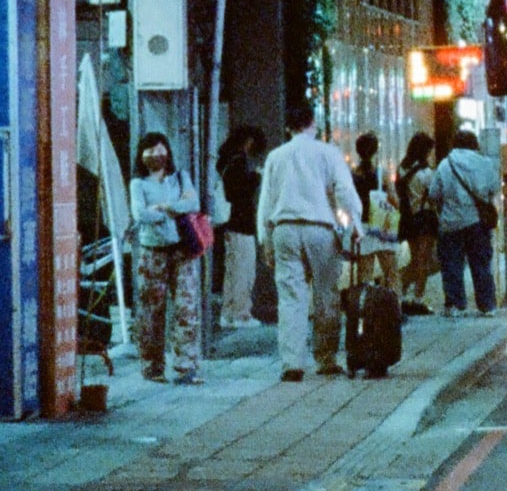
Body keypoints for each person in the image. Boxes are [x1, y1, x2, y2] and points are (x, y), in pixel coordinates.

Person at [255, 100, 361, 379]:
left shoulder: (276, 156)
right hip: (320, 229)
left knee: (291, 297)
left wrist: (266, 239)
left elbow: (266, 202)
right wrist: (355, 223)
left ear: (288, 127)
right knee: (326, 295)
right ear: (313, 123)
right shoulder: (328, 153)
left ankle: (292, 363)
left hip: (284, 229)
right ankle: (325, 358)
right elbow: (344, 192)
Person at [123, 134, 203, 385]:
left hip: (182, 250)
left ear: (168, 152)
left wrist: (163, 208)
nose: (156, 155)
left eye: (160, 150)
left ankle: (186, 367)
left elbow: (194, 203)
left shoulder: (180, 177)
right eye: (150, 151)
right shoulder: (138, 184)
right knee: (151, 311)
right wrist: (174, 208)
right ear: (141, 156)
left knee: (186, 308)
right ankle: (152, 366)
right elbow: (140, 214)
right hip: (152, 251)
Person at [431, 122, 503, 314]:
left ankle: (455, 305)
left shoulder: (445, 164)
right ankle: (487, 306)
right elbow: (494, 189)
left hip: (450, 223)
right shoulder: (485, 163)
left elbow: (434, 193)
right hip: (477, 222)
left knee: (452, 265)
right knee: (481, 264)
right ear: (474, 144)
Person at [215, 126, 265, 334]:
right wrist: (256, 177)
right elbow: (241, 190)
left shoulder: (226, 160)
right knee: (244, 271)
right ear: (248, 141)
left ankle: (228, 313)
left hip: (230, 224)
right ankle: (241, 314)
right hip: (242, 223)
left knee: (232, 271)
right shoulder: (239, 160)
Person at [395, 131, 442, 310]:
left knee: (414, 259)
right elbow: (434, 197)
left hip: (408, 218)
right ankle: (418, 298)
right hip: (425, 218)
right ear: (424, 151)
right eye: (429, 150)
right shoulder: (427, 173)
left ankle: (400, 293)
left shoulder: (402, 169)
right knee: (423, 261)